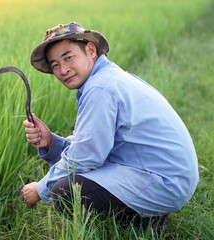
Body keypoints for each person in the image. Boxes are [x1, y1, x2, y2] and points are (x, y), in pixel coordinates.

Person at [21, 22, 199, 227]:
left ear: (90, 50)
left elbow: (85, 157)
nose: (63, 70)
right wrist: (51, 142)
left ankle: (148, 223)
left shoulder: (100, 88)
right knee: (76, 179)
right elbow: (92, 145)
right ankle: (148, 213)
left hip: (164, 182)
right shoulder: (109, 78)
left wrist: (40, 189)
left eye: (68, 57)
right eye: (54, 65)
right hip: (170, 177)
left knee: (64, 192)